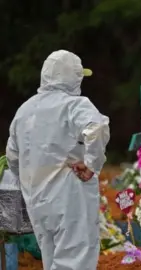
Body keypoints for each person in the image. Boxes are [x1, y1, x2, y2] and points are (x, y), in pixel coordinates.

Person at [6, 50, 110, 270]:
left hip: (36, 200)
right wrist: (92, 164)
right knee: (75, 258)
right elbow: (97, 129)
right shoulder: (74, 105)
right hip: (70, 195)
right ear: (73, 77)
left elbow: (13, 158)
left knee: (51, 258)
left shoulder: (24, 111)